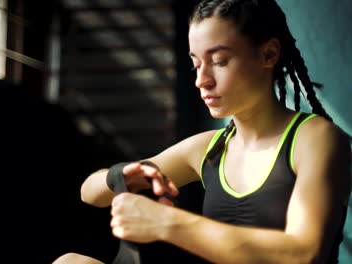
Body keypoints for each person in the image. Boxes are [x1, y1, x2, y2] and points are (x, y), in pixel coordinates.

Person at [53, 0, 351, 263]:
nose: (202, 80)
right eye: (196, 65)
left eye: (219, 61)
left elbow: (303, 253)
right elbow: (89, 194)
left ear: (268, 54)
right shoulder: (209, 148)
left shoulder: (315, 138)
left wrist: (166, 223)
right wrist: (121, 176)